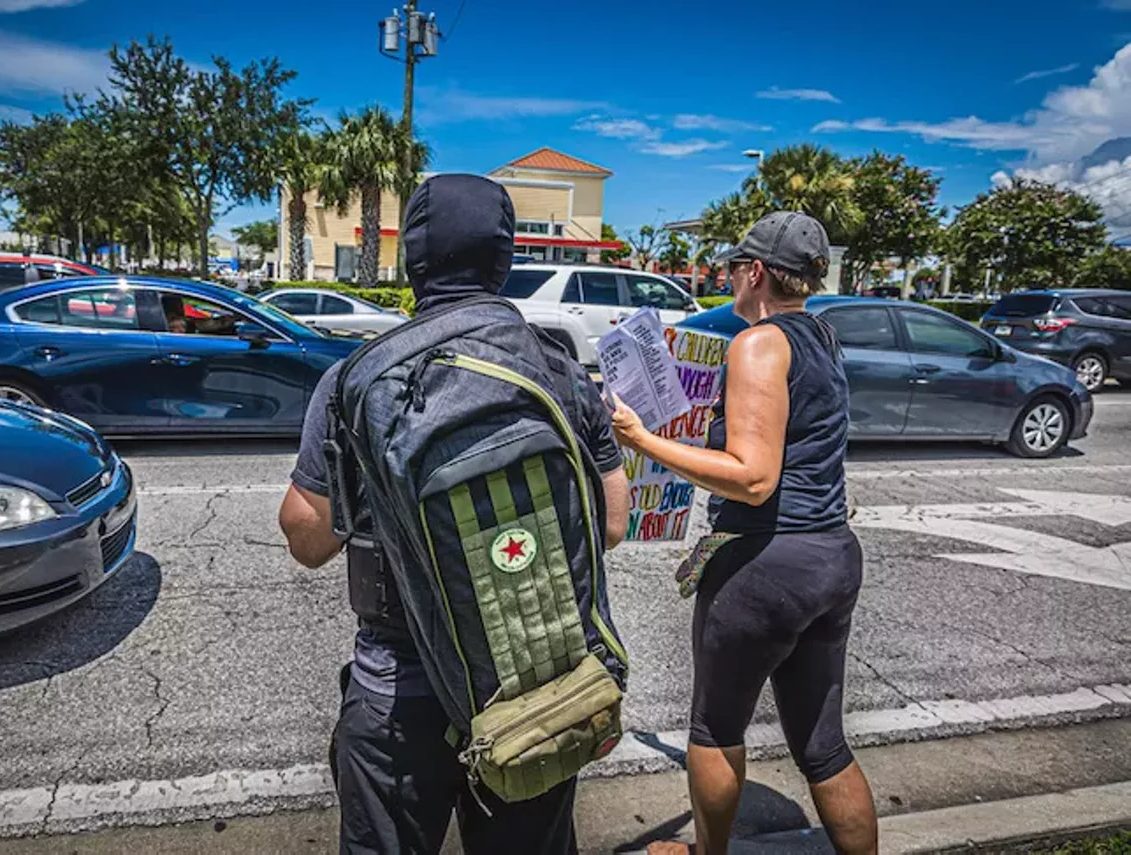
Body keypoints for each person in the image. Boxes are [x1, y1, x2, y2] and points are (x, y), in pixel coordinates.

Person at [279, 173, 631, 855]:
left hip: (396, 695)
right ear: (502, 262)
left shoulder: (357, 378)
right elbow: (611, 523)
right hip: (538, 684)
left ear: (411, 261)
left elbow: (306, 537)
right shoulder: (560, 370)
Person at [612, 212, 878, 855]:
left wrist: (645, 441)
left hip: (764, 564)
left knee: (715, 728)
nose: (728, 277)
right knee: (823, 744)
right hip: (830, 555)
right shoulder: (822, 336)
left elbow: (753, 479)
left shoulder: (757, 343)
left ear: (755, 272)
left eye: (733, 267)